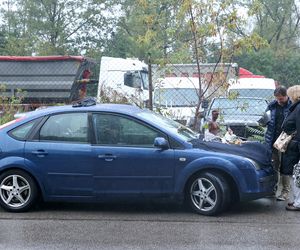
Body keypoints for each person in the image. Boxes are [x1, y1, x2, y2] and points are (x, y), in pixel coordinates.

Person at [265, 86, 292, 201]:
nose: (279, 101)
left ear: (286, 96)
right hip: (272, 140)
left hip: (286, 141)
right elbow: (266, 120)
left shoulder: (292, 106)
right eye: (277, 98)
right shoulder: (272, 105)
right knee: (274, 165)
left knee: (285, 166)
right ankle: (273, 189)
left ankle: (285, 192)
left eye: (281, 98)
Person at [280, 85, 300, 211]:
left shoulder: (298, 108)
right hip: (296, 145)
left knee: (297, 175)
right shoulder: (297, 107)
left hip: (296, 147)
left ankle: (298, 202)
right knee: (296, 175)